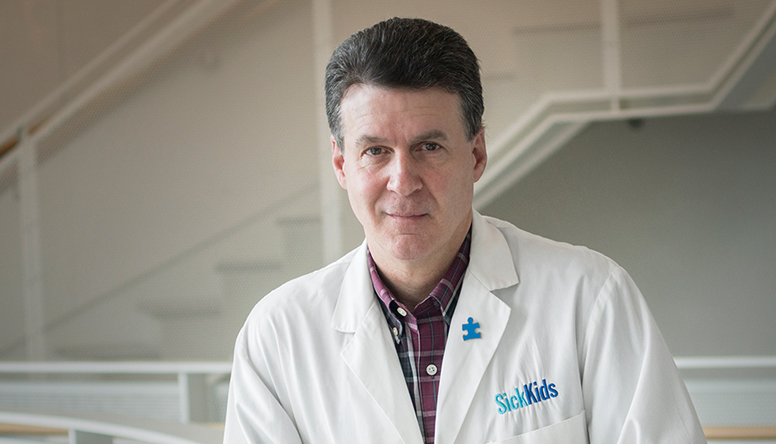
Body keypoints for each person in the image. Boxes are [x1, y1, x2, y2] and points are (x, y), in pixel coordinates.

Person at [224, 17, 706, 444]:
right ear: (341, 164)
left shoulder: (590, 297)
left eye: (428, 147)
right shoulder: (278, 336)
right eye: (374, 151)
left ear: (476, 155)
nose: (403, 181)